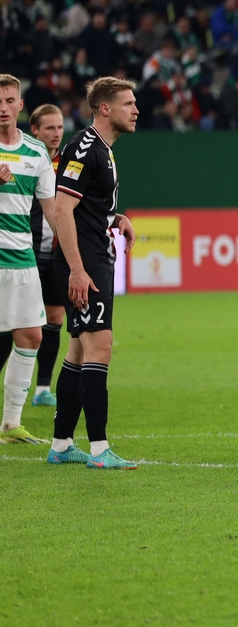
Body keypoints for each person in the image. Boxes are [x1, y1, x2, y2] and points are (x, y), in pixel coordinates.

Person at [49, 77, 139, 468]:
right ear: (105, 108)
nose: (135, 109)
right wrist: (77, 270)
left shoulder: (103, 150)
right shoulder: (85, 148)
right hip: (84, 263)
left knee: (78, 351)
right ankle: (100, 450)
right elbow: (60, 210)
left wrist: (117, 217)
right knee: (100, 347)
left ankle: (61, 444)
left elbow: (86, 207)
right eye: (128, 103)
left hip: (92, 256)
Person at [0, 77, 57, 445]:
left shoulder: (36, 154)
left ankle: (10, 425)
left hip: (22, 259)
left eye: (8, 100)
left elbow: (54, 211)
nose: (2, 107)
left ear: (20, 105)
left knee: (32, 335)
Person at [29, 105, 67, 405]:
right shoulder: (26, 160)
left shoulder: (69, 164)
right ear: (35, 131)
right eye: (49, 128)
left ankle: (43, 388)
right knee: (17, 321)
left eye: (59, 127)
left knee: (54, 317)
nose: (56, 134)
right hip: (23, 253)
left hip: (55, 255)